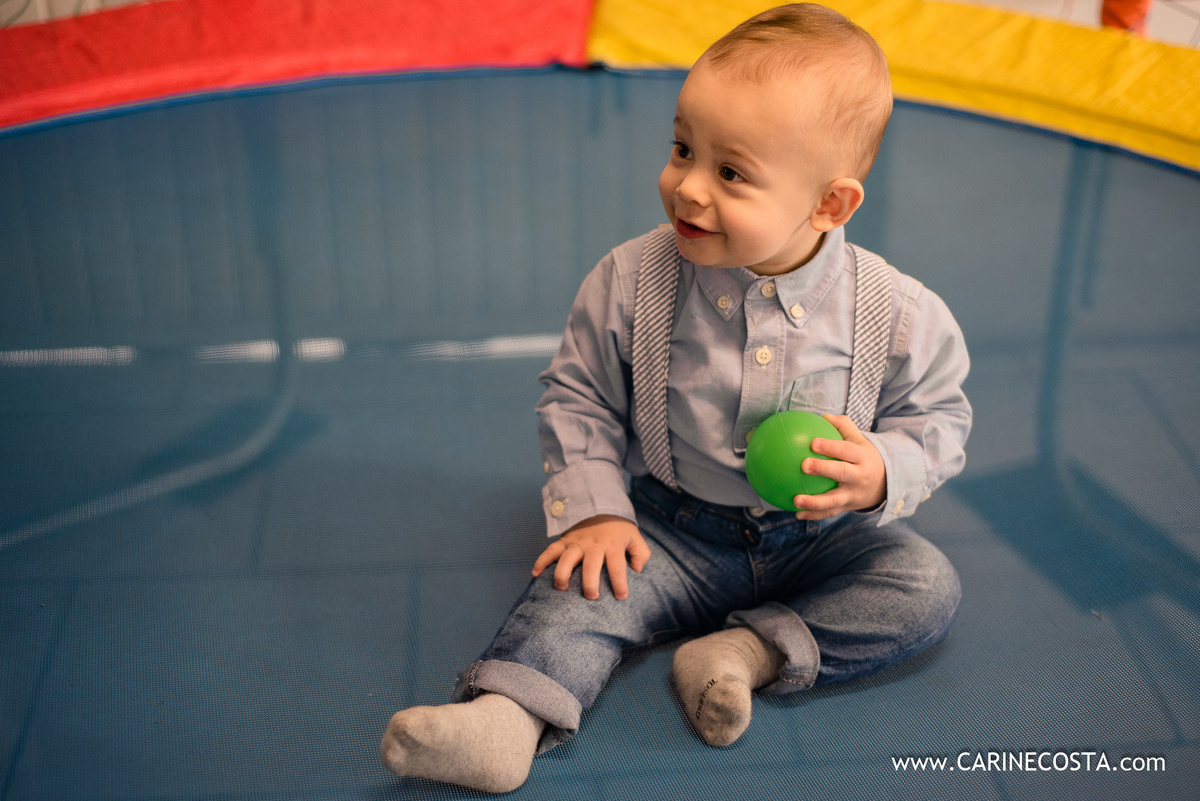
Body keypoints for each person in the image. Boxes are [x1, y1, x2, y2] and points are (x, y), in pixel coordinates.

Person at [380, 3, 971, 793]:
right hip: (669, 526)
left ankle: (745, 653)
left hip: (818, 539)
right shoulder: (632, 280)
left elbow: (939, 416)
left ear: (830, 204)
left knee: (925, 586)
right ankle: (508, 717)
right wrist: (596, 510)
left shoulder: (896, 312)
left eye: (730, 172)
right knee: (577, 591)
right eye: (681, 147)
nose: (687, 187)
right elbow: (579, 394)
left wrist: (885, 470)